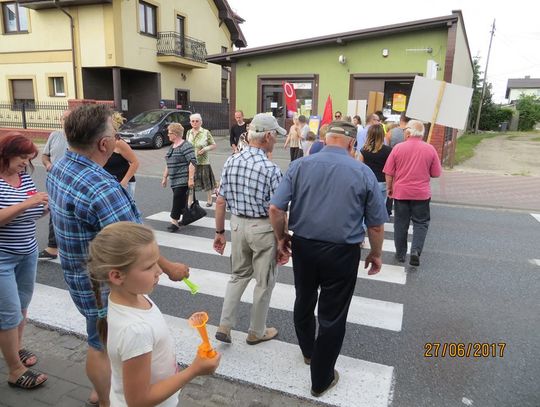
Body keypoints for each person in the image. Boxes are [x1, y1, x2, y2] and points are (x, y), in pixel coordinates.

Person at [47, 104, 190, 407]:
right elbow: (134, 240)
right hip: (105, 286)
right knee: (103, 345)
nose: (117, 137)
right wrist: (169, 267)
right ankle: (108, 399)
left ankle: (100, 392)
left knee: (97, 340)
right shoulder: (102, 187)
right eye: (114, 133)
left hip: (76, 275)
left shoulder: (60, 166)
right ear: (103, 144)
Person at [268, 120, 387, 398]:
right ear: (350, 143)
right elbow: (377, 225)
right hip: (342, 251)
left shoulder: (300, 165)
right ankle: (320, 380)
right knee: (332, 314)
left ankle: (309, 351)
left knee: (305, 298)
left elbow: (275, 208)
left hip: (306, 246)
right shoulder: (363, 171)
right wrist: (376, 253)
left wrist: (282, 237)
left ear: (325, 139)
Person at [87, 222, 220, 407]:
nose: (159, 271)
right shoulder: (136, 330)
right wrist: (193, 370)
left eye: (157, 262)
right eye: (149, 267)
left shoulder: (133, 296)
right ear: (117, 276)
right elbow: (139, 401)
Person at [213, 113, 287, 346]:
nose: (276, 139)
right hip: (262, 227)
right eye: (275, 135)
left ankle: (225, 325)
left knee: (237, 276)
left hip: (237, 225)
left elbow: (220, 200)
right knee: (263, 282)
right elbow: (276, 210)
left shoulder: (231, 160)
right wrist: (282, 238)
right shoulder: (271, 169)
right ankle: (256, 331)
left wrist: (219, 233)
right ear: (266, 136)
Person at [0, 133, 49, 389]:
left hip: (27, 252)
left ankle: (15, 349)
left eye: (28, 159)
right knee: (7, 314)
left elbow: (29, 215)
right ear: (6, 153)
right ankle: (14, 371)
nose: (25, 163)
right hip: (2, 259)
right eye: (22, 157)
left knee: (21, 306)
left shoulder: (24, 177)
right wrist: (28, 202)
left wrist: (44, 207)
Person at [383, 119, 442, 266]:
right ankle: (415, 250)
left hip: (401, 192)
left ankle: (400, 254)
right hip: (421, 194)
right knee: (421, 223)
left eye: (404, 131)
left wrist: (390, 188)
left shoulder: (397, 148)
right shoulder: (430, 149)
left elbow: (389, 172)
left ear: (408, 132)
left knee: (400, 223)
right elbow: (436, 173)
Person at [39, 110, 70, 260]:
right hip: (54, 180)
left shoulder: (79, 137)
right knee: (54, 210)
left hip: (71, 181)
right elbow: (44, 156)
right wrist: (48, 164)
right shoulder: (54, 135)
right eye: (63, 118)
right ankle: (52, 247)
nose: (65, 121)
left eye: (68, 118)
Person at [161, 122, 196, 232]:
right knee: (180, 200)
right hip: (174, 179)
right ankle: (185, 215)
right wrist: (164, 177)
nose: (168, 135)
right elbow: (168, 163)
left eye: (169, 133)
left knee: (177, 199)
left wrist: (190, 179)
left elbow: (192, 162)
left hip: (183, 178)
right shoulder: (172, 147)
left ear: (175, 134)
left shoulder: (186, 145)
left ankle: (174, 222)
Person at [103, 112, 140, 199]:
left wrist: (124, 181)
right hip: (109, 184)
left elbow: (135, 162)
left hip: (123, 184)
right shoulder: (103, 143)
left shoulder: (119, 143)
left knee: (125, 210)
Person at [186, 113, 217, 208]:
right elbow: (187, 145)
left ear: (201, 122)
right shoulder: (188, 132)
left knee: (206, 181)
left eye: (197, 121)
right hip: (192, 161)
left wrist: (205, 149)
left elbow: (214, 145)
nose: (195, 123)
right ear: (190, 122)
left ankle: (209, 199)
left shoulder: (206, 132)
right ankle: (189, 201)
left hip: (203, 161)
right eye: (193, 121)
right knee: (191, 181)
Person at [359, 124, 392, 200]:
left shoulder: (363, 150)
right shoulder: (388, 150)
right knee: (381, 207)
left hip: (368, 182)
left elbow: (360, 168)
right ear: (382, 135)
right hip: (382, 182)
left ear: (369, 135)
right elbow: (390, 170)